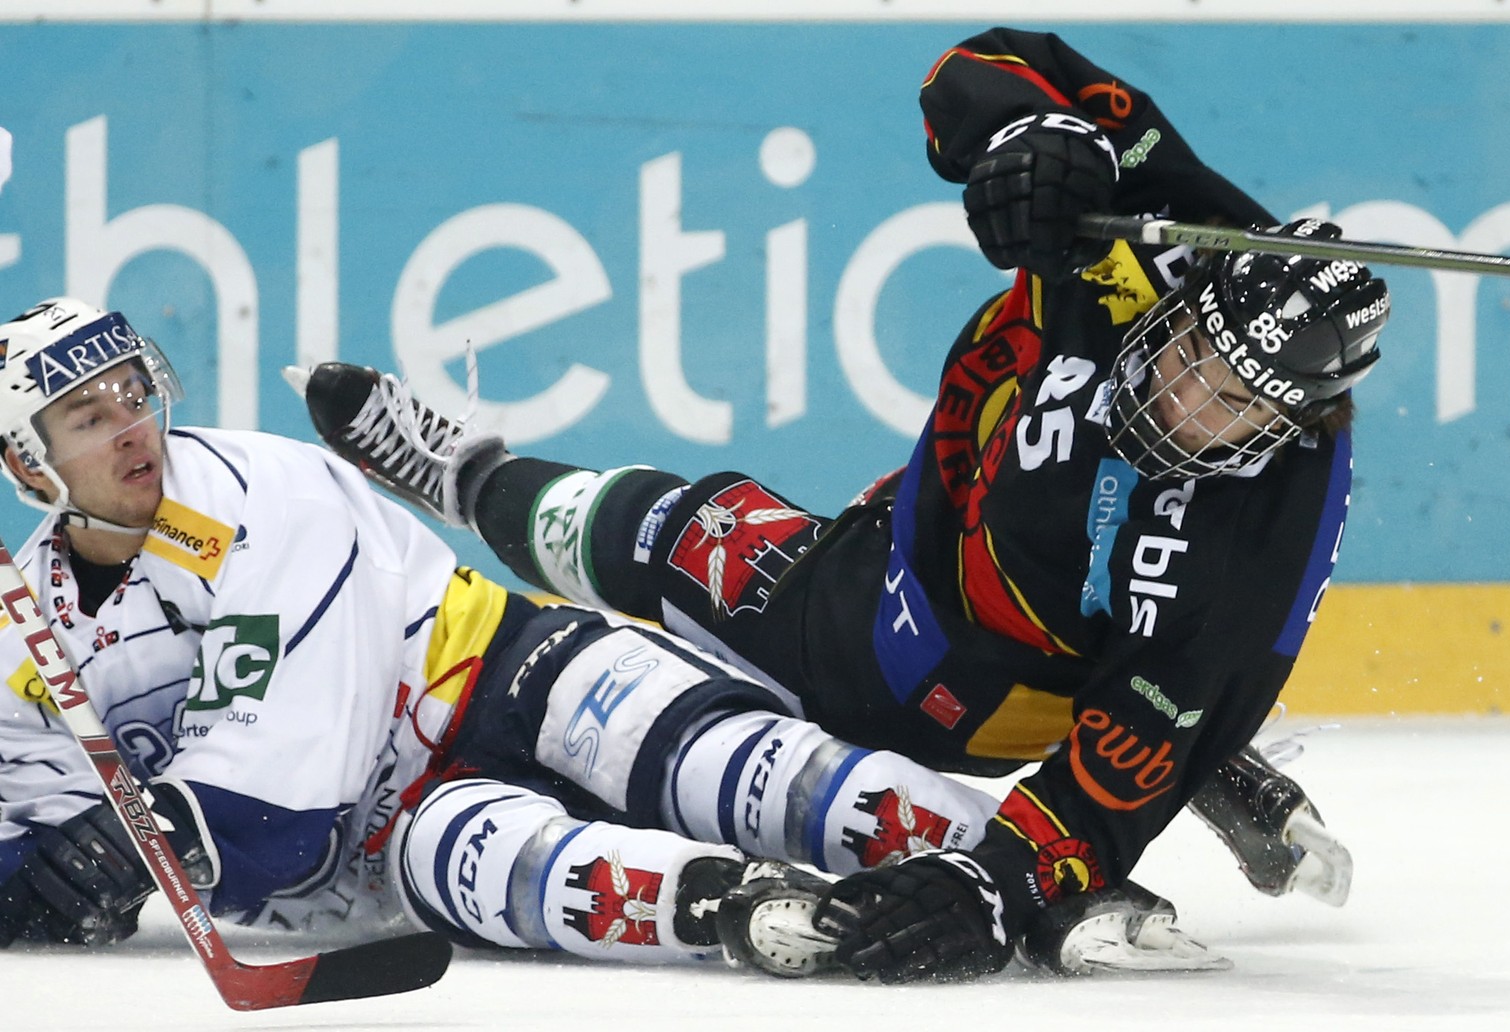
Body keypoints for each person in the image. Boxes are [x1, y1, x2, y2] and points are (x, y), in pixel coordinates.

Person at [292, 27, 1389, 983]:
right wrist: (1025, 138)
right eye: (1192, 356)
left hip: (955, 669)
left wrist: (999, 882)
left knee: (686, 586)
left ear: (1290, 426)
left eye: (1233, 405)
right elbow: (989, 66)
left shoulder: (1264, 550)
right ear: (1192, 299)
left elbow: (1162, 716)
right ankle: (472, 478)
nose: (1185, 400)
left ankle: (1202, 756)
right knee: (675, 542)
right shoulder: (1169, 230)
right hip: (920, 522)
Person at [0, 296, 1015, 974]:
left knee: (735, 770)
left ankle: (1023, 864)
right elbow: (37, 849)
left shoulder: (261, 493)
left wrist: (141, 842)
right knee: (518, 866)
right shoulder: (24, 642)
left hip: (500, 674)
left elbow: (275, 812)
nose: (132, 425)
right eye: (87, 418)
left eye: (132, 391)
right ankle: (759, 913)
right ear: (27, 468)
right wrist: (44, 886)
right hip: (386, 849)